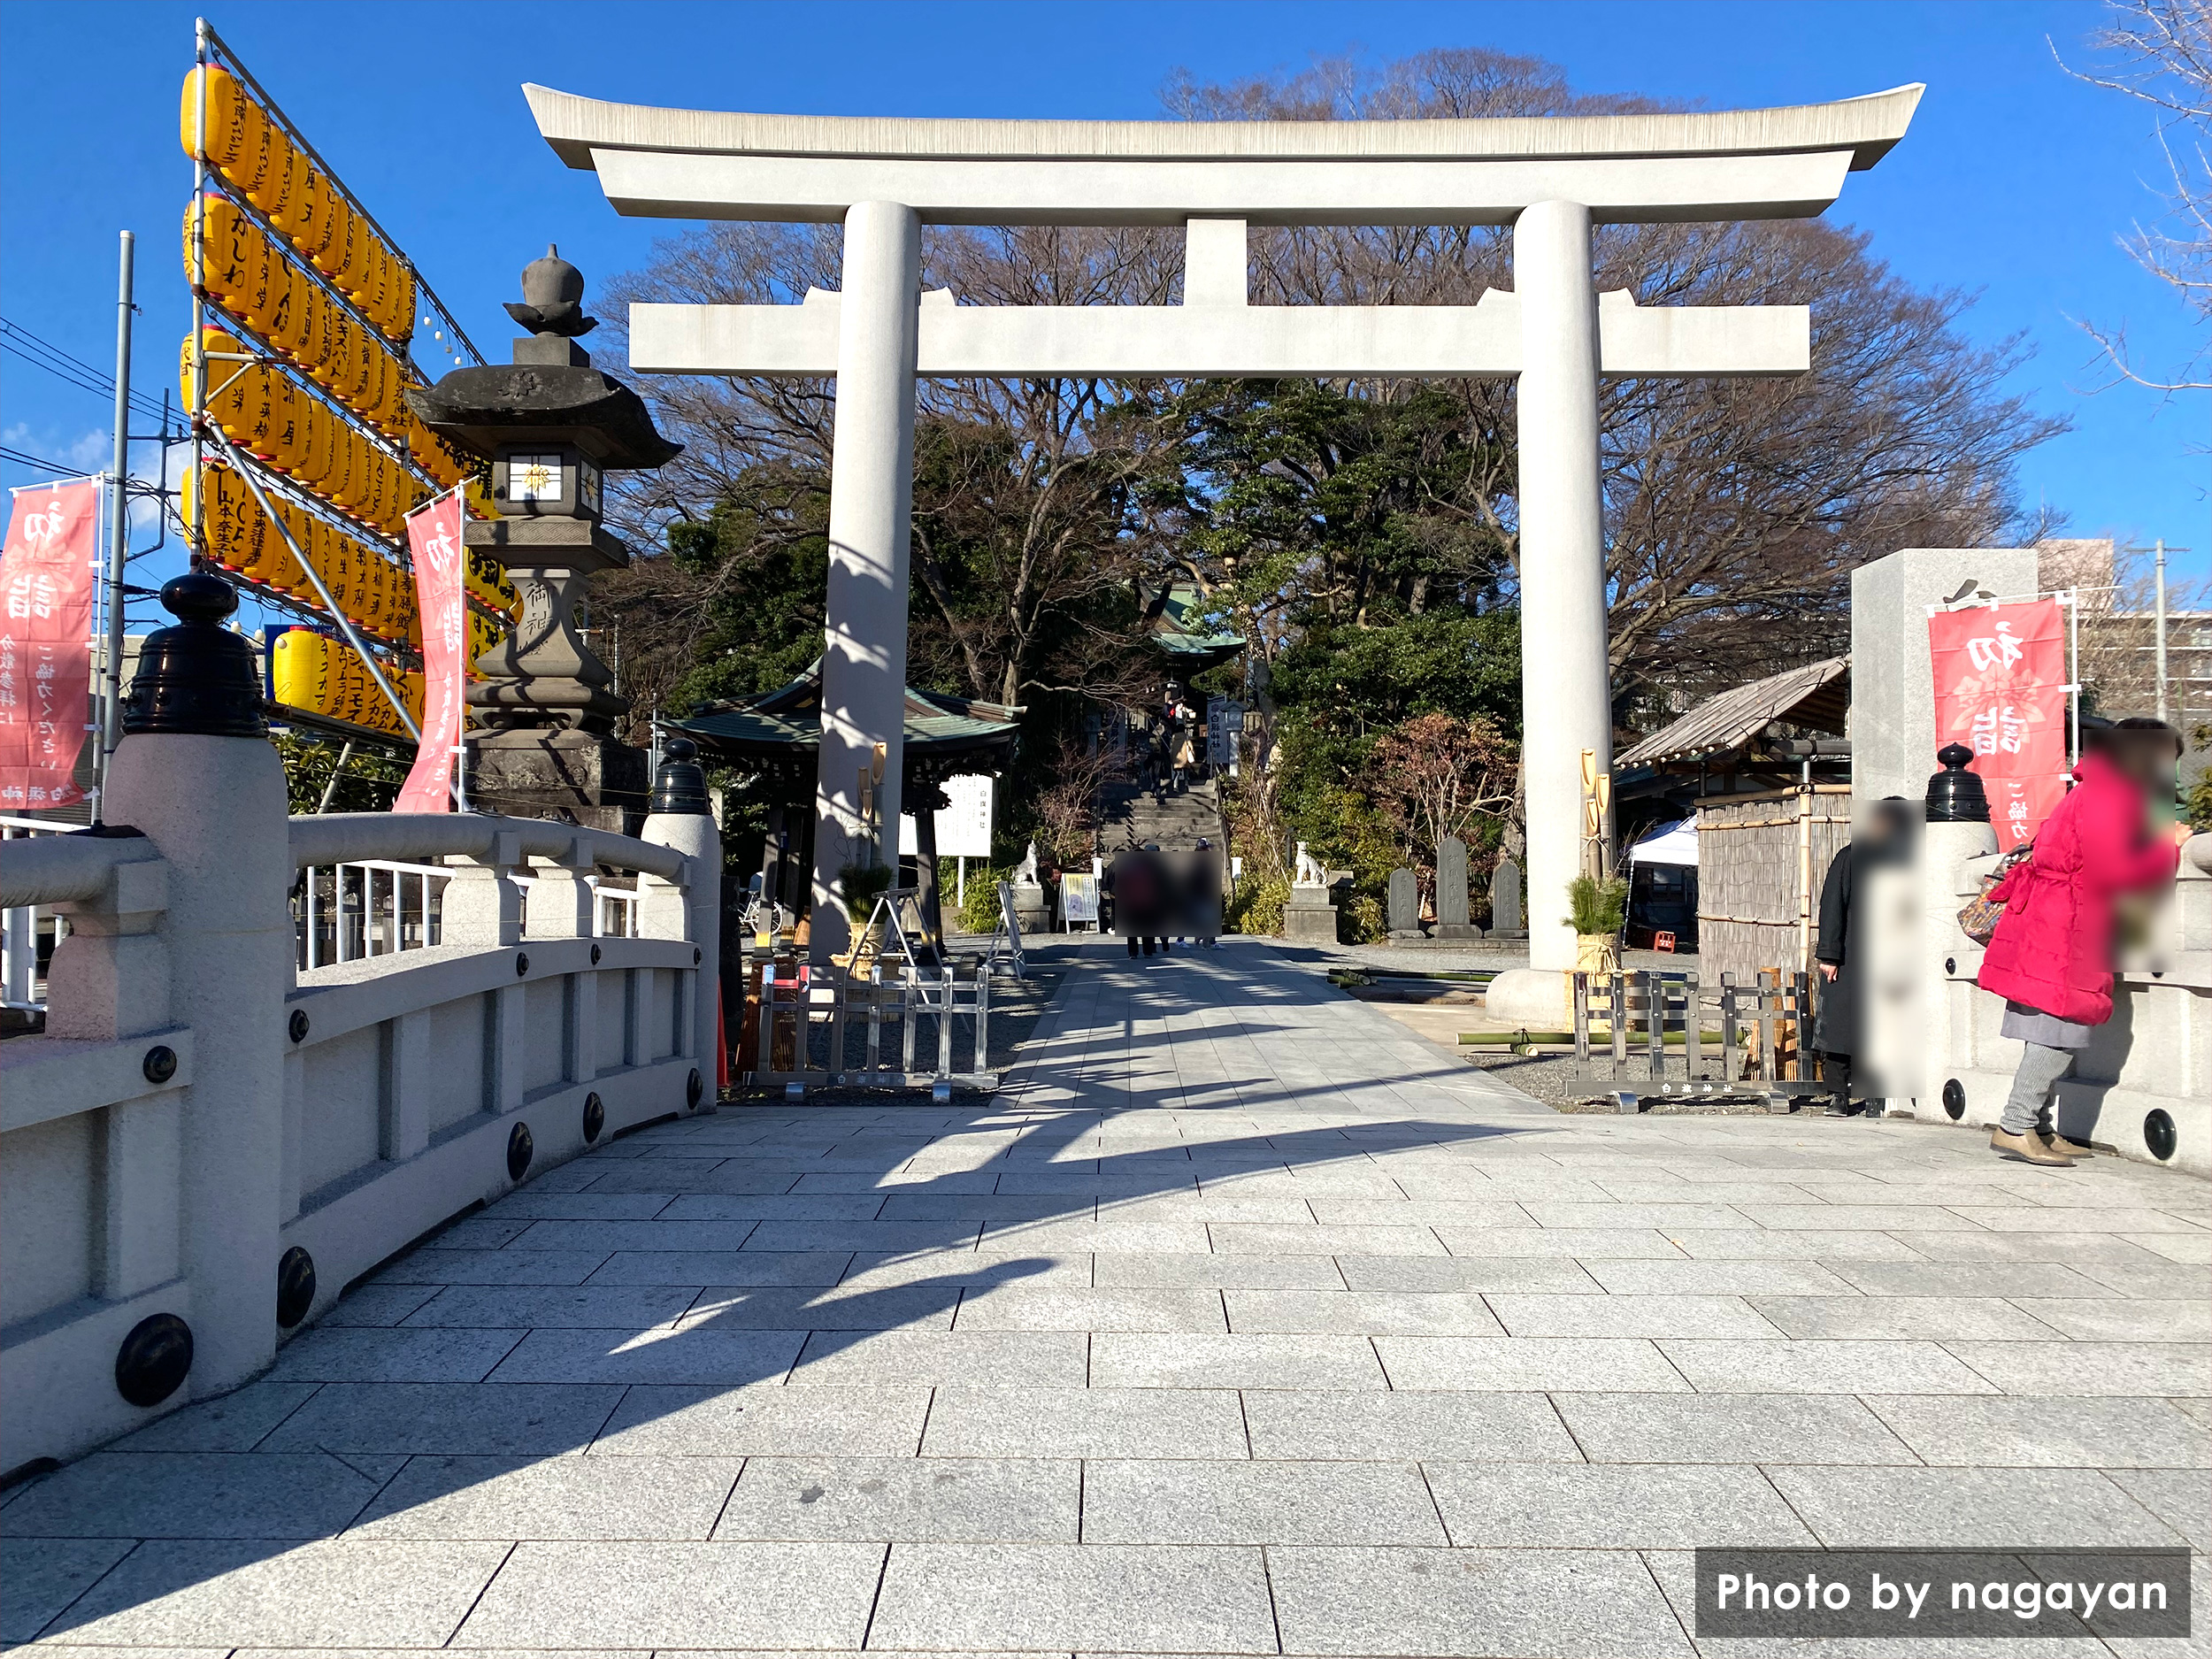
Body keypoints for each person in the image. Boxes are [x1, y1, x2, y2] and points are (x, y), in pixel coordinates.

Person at [1978, 718, 2190, 1165]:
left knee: (2053, 1021)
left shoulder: (2098, 787)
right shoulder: (2111, 794)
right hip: (2066, 920)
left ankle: (2037, 1128)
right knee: (2059, 1025)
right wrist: (2167, 847)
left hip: (2055, 916)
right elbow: (2114, 869)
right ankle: (2015, 1126)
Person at [1812, 798, 1911, 1118]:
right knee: (1841, 1027)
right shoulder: (1851, 856)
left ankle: (1874, 1096)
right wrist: (1829, 954)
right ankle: (1838, 1095)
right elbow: (1831, 907)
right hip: (1851, 954)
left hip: (1892, 958)